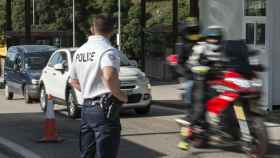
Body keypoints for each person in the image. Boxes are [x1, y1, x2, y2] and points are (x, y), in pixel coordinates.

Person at [69, 14, 128, 158]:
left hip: (86, 107)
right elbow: (108, 76)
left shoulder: (80, 51)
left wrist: (90, 90)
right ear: (112, 31)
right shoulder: (107, 50)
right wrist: (121, 96)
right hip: (104, 109)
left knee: (87, 154)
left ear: (92, 29)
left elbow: (73, 81)